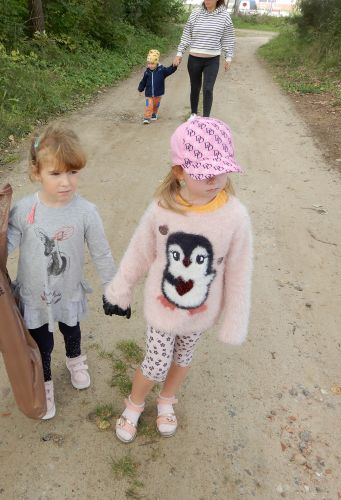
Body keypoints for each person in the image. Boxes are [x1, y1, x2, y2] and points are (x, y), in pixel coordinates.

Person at [103, 117, 253, 443]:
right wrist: (121, 288)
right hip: (164, 308)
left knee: (183, 357)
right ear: (179, 171)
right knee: (156, 363)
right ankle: (135, 402)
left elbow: (239, 271)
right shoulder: (162, 210)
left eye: (221, 170)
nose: (214, 179)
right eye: (203, 172)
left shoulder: (235, 216)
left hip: (201, 311)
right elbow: (139, 251)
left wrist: (235, 319)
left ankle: (167, 399)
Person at [0, 125, 116, 420]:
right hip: (34, 295)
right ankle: (45, 382)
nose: (66, 182)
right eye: (55, 173)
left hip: (67, 290)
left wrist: (113, 288)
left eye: (73, 172)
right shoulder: (23, 210)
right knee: (42, 341)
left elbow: (101, 252)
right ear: (36, 172)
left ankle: (75, 359)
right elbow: (0, 247)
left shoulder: (86, 212)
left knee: (71, 328)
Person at [172, 0, 235, 120]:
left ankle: (206, 119)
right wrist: (179, 53)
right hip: (194, 59)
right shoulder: (195, 13)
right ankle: (193, 114)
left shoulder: (224, 16)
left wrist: (228, 57)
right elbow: (186, 34)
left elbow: (228, 38)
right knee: (195, 87)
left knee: (208, 89)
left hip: (212, 60)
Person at [138, 49, 178, 125]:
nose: (150, 65)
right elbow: (143, 81)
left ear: (156, 63)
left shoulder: (161, 70)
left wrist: (174, 66)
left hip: (158, 93)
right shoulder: (147, 72)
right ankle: (147, 117)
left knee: (155, 105)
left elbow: (169, 70)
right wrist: (140, 88)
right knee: (149, 105)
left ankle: (154, 113)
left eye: (152, 64)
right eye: (149, 63)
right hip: (149, 93)